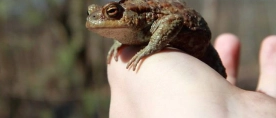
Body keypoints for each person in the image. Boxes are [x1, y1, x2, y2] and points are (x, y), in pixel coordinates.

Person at [107, 33, 276, 118]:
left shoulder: (147, 17)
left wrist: (151, 47)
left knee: (221, 75)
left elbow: (173, 20)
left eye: (112, 12)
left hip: (198, 38)